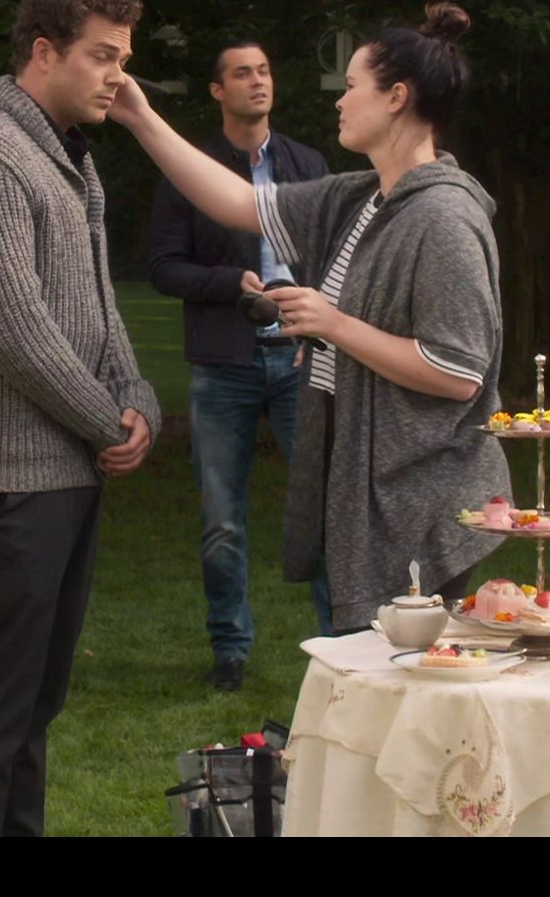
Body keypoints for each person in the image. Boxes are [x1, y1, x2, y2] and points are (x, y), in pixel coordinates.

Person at [108, 2, 509, 635]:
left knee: (409, 679)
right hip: (373, 491)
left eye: (352, 85)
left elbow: (458, 372)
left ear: (397, 97)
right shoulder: (360, 198)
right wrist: (139, 116)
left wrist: (333, 323)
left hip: (424, 503)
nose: (339, 102)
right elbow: (237, 201)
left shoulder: (443, 219)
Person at [0, 0, 162, 836]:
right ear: (43, 52)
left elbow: (98, 307)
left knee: (37, 701)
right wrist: (107, 424)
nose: (117, 78)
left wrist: (139, 401)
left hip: (64, 469)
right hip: (10, 474)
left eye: (123, 59)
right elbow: (13, 331)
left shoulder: (67, 159)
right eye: (101, 57)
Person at [148, 41, 329, 689]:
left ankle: (339, 648)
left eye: (265, 70)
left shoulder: (307, 165)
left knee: (323, 507)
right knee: (221, 520)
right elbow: (163, 266)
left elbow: (336, 258)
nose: (258, 81)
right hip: (224, 362)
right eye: (242, 73)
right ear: (217, 90)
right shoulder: (191, 170)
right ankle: (230, 650)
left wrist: (323, 327)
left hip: (302, 358)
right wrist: (230, 283)